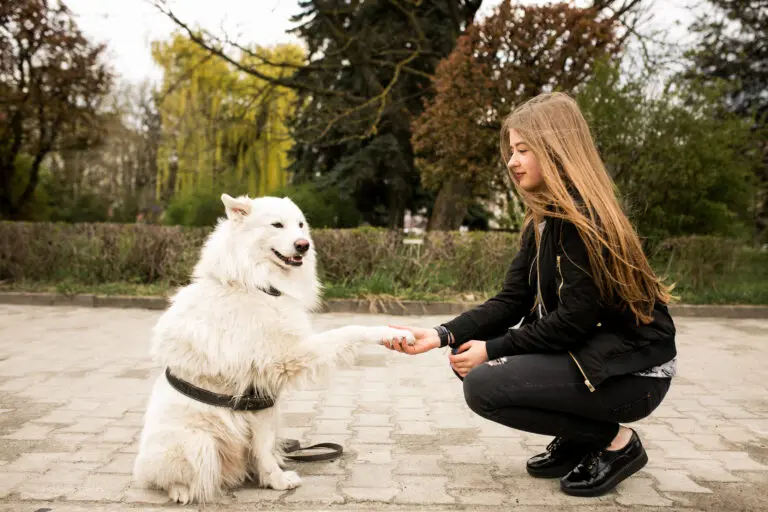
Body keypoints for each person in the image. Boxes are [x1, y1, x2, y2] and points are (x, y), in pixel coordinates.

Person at [383, 92, 677, 497]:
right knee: (468, 360)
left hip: (633, 374)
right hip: (594, 357)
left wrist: (491, 350)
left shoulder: (582, 219)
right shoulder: (542, 218)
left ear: (556, 151)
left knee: (484, 383)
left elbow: (574, 319)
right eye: (511, 150)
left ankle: (612, 441)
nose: (512, 161)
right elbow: (511, 301)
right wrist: (441, 334)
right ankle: (580, 437)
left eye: (523, 149)